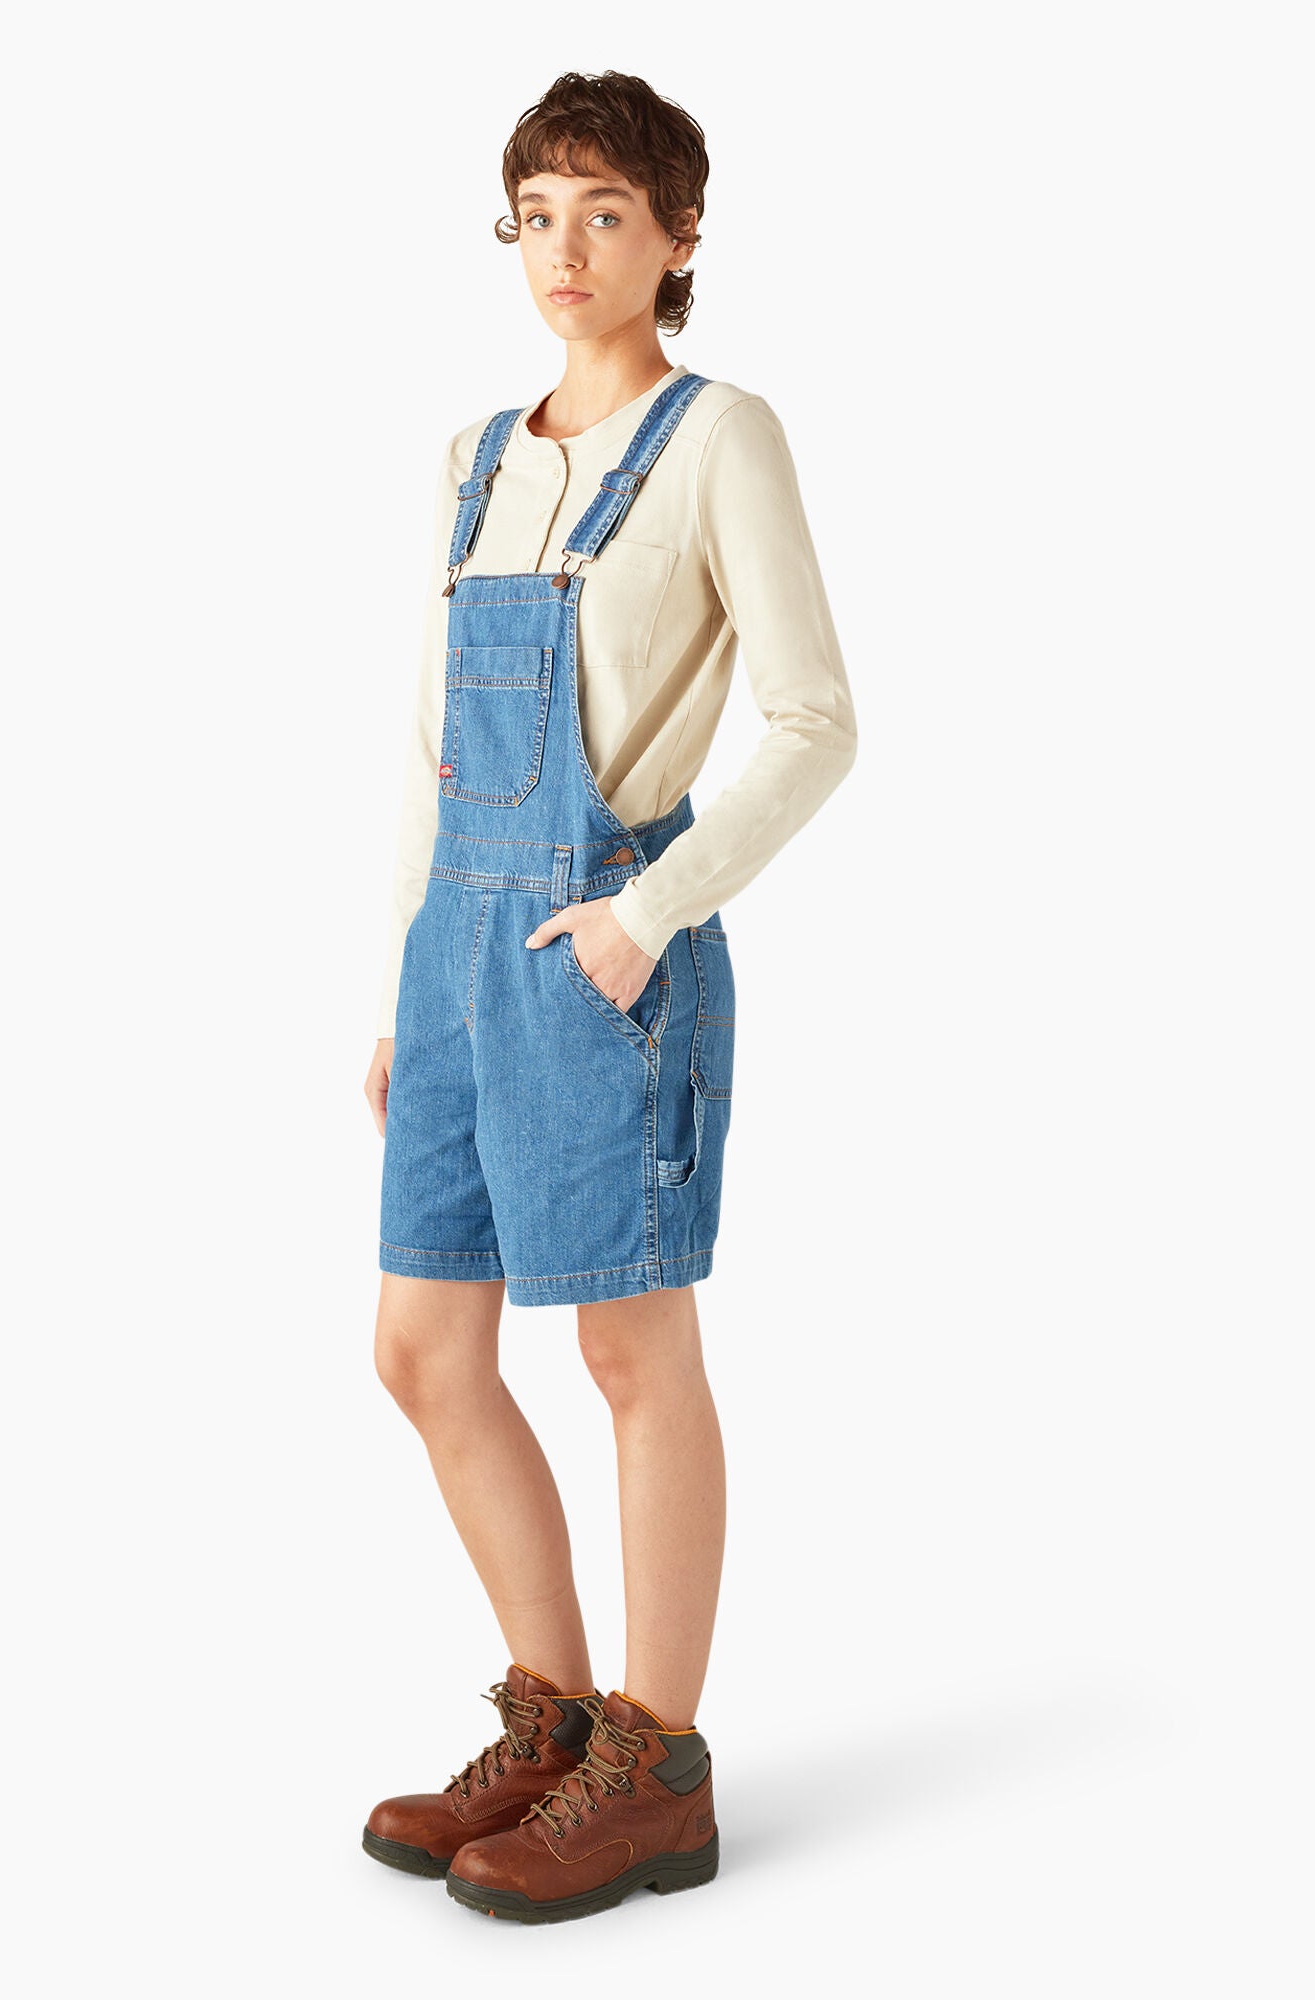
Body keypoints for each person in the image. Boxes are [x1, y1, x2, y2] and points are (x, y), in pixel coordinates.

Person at [359, 70, 858, 1924]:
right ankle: (555, 1719)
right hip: (458, 956)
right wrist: (410, 982)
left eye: (608, 215)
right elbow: (433, 751)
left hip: (605, 949)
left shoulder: (720, 438)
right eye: (538, 213)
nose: (565, 250)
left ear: (678, 235)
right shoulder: (475, 456)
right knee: (423, 1350)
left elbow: (815, 722)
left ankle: (658, 1768)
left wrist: (648, 918)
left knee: (632, 1357)